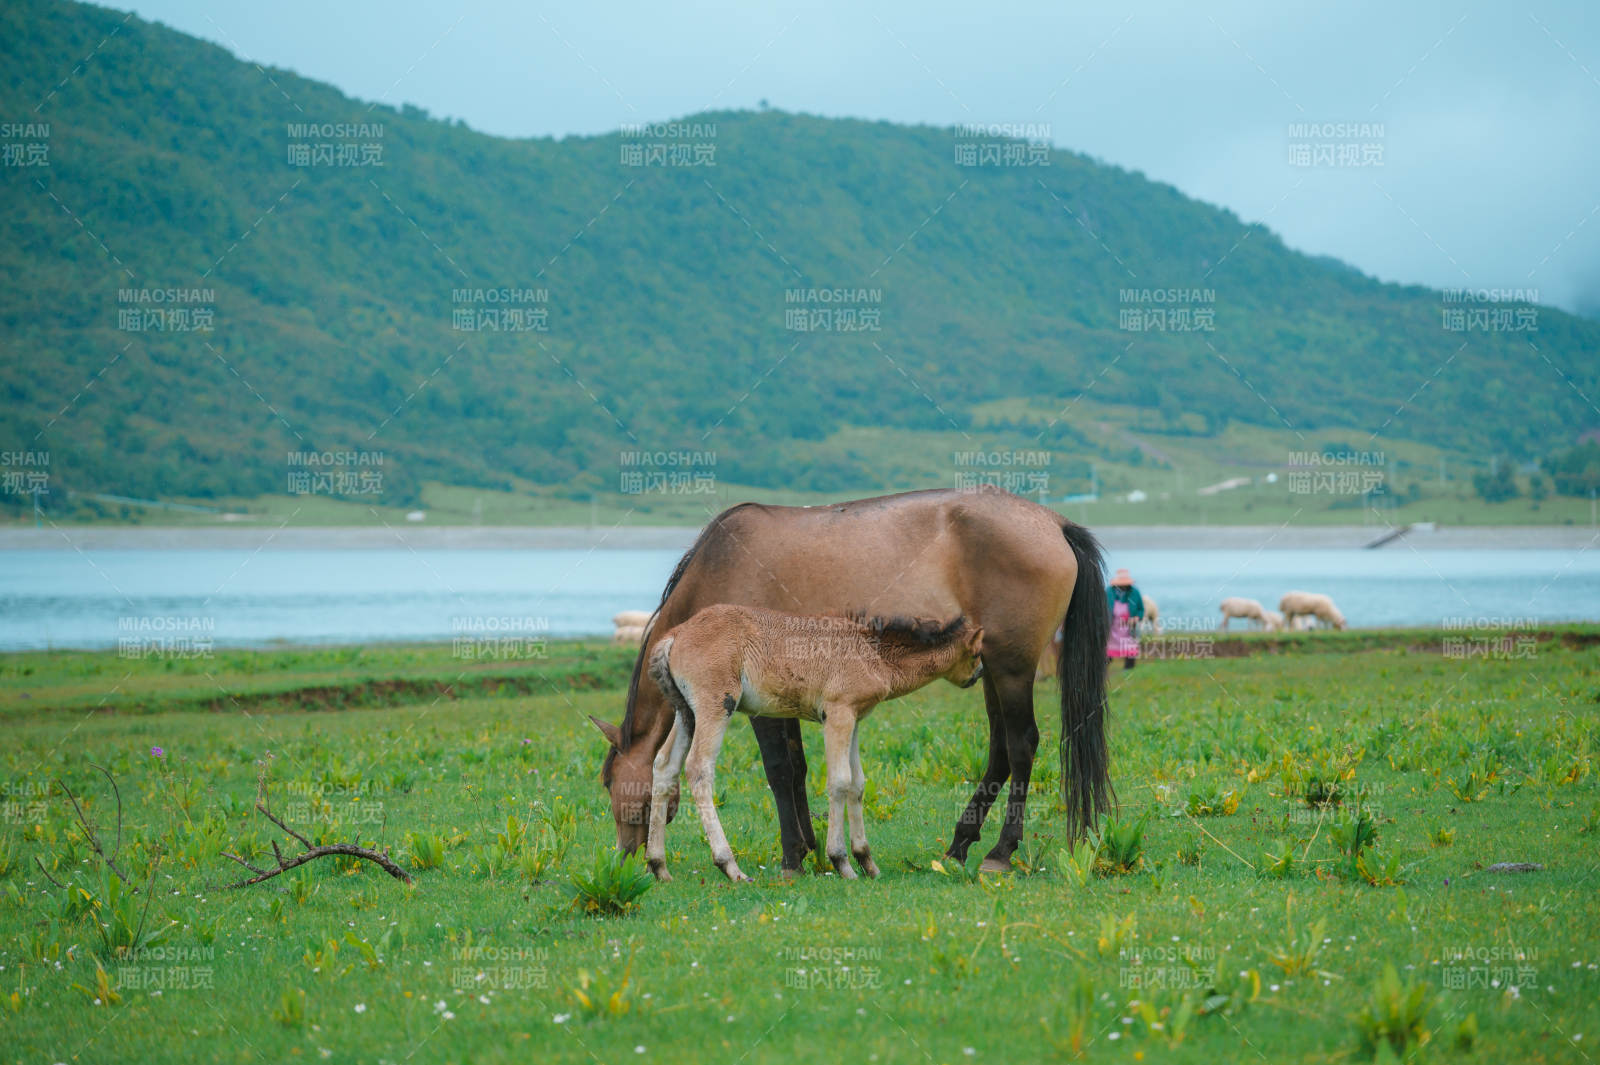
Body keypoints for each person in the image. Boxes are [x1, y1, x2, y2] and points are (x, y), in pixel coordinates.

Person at [1105, 567, 1144, 670]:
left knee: (1130, 649)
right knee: (1107, 649)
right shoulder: (1108, 592)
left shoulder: (1135, 592)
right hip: (1112, 627)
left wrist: (1136, 618)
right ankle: (1103, 669)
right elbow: (1101, 609)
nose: (1123, 587)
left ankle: (1129, 669)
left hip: (1129, 627)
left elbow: (1141, 610)